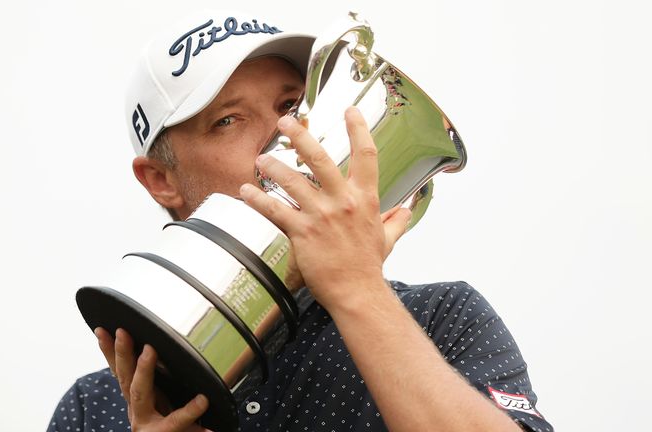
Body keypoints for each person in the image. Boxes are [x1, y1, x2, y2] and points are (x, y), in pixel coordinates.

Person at [48, 10, 553, 432]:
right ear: (161, 179)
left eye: (292, 105)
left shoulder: (443, 316)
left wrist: (357, 288)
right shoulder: (93, 409)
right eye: (229, 120)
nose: (286, 135)